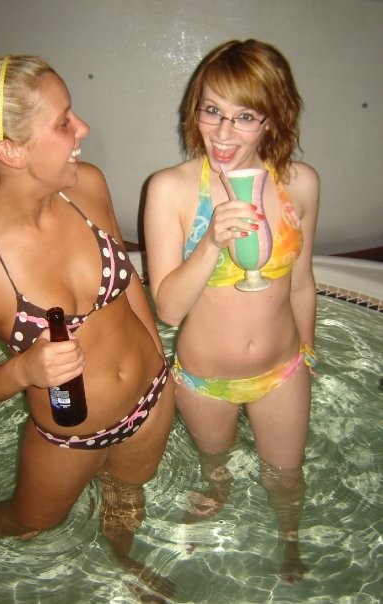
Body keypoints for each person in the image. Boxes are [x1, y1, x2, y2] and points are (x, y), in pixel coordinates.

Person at [0, 55, 174, 602]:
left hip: (153, 399)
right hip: (71, 434)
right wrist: (23, 370)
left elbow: (128, 280)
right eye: (63, 121)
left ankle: (122, 558)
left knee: (127, 499)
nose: (82, 128)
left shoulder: (87, 186)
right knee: (30, 522)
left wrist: (160, 358)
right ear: (12, 151)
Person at [144, 39, 319, 582]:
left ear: (273, 117)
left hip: (281, 371)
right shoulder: (170, 190)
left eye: (244, 116)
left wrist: (310, 355)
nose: (223, 132)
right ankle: (216, 496)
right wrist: (211, 243)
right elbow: (168, 309)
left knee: (285, 478)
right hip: (204, 379)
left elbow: (302, 284)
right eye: (211, 111)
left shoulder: (299, 184)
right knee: (215, 467)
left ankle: (289, 539)